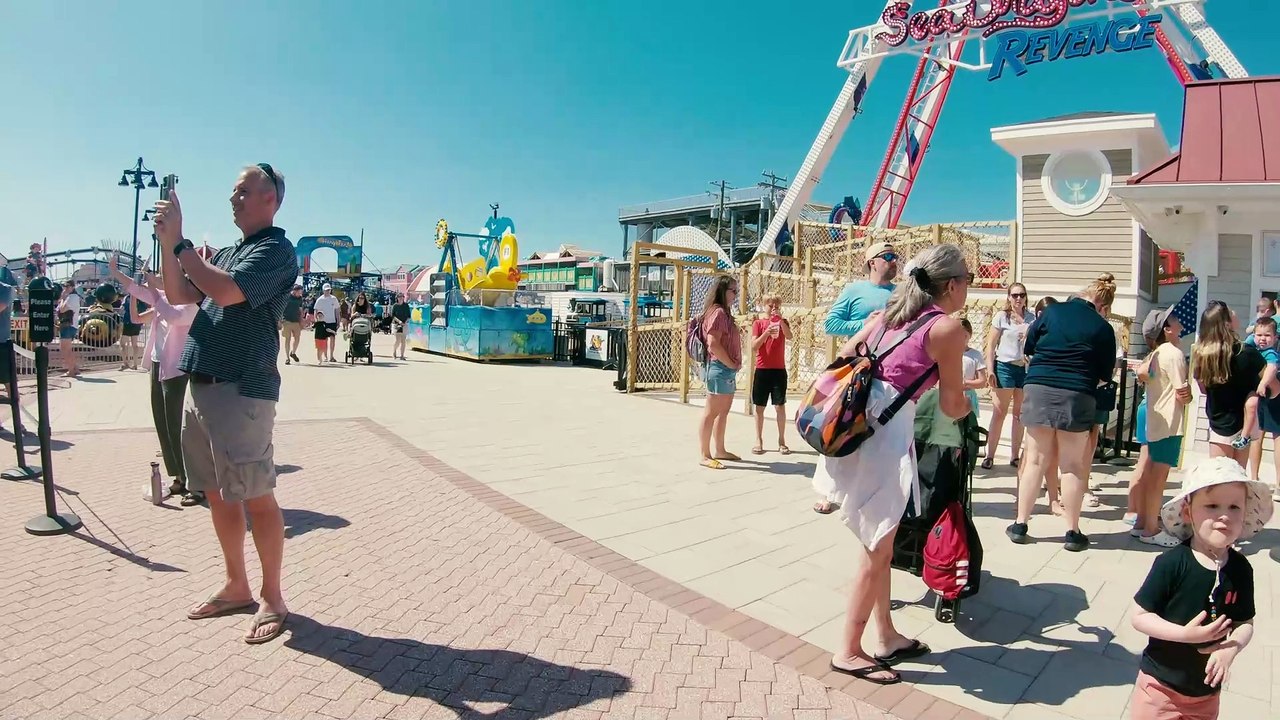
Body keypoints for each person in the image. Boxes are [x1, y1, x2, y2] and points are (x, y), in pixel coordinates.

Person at [152, 163, 298, 644]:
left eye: (243, 191)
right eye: (233, 191)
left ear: (270, 200)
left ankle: (272, 597)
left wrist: (180, 243)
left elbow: (225, 291)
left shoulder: (276, 250)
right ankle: (237, 584)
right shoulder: (235, 250)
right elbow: (181, 294)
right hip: (204, 386)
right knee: (216, 493)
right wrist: (169, 243)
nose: (233, 198)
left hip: (242, 389)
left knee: (256, 495)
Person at [819, 244, 972, 685]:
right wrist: (969, 393)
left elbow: (844, 355)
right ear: (952, 284)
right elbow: (952, 404)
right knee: (878, 549)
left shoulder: (886, 315)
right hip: (885, 440)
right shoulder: (947, 328)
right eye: (968, 280)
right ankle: (849, 650)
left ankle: (885, 635)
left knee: (877, 544)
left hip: (856, 428)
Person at [1129, 457, 1270, 720]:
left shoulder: (1240, 569)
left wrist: (1232, 648)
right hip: (1160, 687)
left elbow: (1245, 621)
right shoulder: (1172, 563)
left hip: (1205, 694)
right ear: (1188, 512)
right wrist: (1185, 635)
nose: (1224, 516)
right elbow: (1139, 617)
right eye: (1212, 506)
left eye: (1234, 507)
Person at [1007, 273, 1118, 552]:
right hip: (1078, 393)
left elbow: (1030, 345)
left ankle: (1020, 524)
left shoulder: (1053, 311)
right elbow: (1106, 373)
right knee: (1073, 466)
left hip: (1040, 386)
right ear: (1102, 306)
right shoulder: (1103, 327)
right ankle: (1072, 530)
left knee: (1034, 460)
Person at [108, 252, 203, 505]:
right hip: (159, 365)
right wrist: (116, 272)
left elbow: (173, 316)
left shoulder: (192, 303)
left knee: (180, 428)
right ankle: (178, 477)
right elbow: (135, 289)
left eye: (166, 275)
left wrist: (155, 289)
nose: (160, 278)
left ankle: (196, 482)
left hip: (178, 370)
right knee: (163, 424)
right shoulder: (164, 297)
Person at [815, 242, 898, 513]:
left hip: (886, 373)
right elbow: (831, 324)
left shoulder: (900, 294)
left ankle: (864, 494)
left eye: (896, 256)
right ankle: (828, 493)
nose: (894, 260)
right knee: (839, 425)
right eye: (888, 256)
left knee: (873, 434)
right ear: (872, 262)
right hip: (856, 369)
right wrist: (863, 323)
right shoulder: (854, 290)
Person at [1128, 307, 1193, 547]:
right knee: (1159, 476)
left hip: (1155, 419)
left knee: (1149, 472)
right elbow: (1182, 393)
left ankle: (1142, 522)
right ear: (1167, 329)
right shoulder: (1174, 354)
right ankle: (1151, 530)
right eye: (1174, 319)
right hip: (1168, 421)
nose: (1179, 321)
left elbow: (1143, 374)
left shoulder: (1155, 354)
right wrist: (1190, 397)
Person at [1191, 301, 1267, 467]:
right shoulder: (1247, 352)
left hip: (1220, 422)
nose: (1235, 313)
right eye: (1230, 312)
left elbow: (1203, 389)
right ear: (1227, 323)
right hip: (1245, 423)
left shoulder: (1203, 355)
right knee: (1238, 479)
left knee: (1220, 478)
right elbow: (1271, 386)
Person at [981, 283, 1034, 469]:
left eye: (1021, 295)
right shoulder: (1002, 317)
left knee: (1019, 413)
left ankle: (1014, 455)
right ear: (1008, 297)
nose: (1018, 299)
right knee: (999, 411)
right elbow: (991, 345)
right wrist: (990, 369)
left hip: (1024, 368)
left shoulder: (1032, 318)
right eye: (1014, 295)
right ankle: (990, 454)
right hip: (1005, 366)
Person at [698, 274, 741, 470]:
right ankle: (705, 454)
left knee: (723, 412)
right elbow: (713, 343)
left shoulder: (722, 312)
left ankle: (720, 449)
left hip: (725, 369)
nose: (735, 295)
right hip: (719, 368)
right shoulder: (719, 314)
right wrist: (731, 363)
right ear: (722, 291)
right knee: (711, 412)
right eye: (733, 291)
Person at [750, 294, 792, 455]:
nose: (773, 308)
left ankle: (782, 440)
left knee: (779, 405)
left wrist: (780, 321)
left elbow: (789, 336)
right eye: (770, 305)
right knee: (759, 407)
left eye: (776, 305)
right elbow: (754, 346)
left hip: (778, 370)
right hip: (762, 369)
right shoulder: (758, 323)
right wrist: (766, 332)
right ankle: (758, 439)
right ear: (764, 306)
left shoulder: (783, 323)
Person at [960, 319, 985, 416]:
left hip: (967, 396)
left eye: (965, 335)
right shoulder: (948, 353)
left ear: (970, 335)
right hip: (949, 396)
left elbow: (982, 381)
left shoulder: (975, 355)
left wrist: (965, 382)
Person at [56, 281, 81, 378]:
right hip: (67, 325)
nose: (65, 288)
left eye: (67, 286)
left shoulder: (73, 297)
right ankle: (75, 368)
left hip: (68, 325)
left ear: (72, 287)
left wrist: (62, 298)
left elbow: (62, 309)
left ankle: (71, 370)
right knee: (68, 349)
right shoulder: (70, 297)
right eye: (64, 286)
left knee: (65, 349)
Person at [312, 284, 340, 363]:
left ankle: (331, 356)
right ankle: (325, 356)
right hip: (323, 322)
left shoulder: (334, 299)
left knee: (332, 339)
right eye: (326, 290)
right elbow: (315, 310)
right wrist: (316, 320)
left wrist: (338, 321)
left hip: (332, 321)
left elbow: (337, 311)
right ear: (323, 290)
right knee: (324, 340)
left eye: (329, 290)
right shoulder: (320, 299)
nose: (328, 291)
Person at [281, 285, 303, 365]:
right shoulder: (287, 297)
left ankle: (293, 352)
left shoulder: (300, 298)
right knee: (288, 339)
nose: (300, 294)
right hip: (286, 320)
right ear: (295, 291)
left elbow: (300, 309)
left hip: (296, 320)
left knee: (297, 338)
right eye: (299, 292)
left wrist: (301, 320)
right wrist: (280, 319)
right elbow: (281, 307)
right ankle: (287, 358)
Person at [390, 294, 411, 360]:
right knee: (397, 340)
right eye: (400, 297)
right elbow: (393, 316)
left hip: (404, 324)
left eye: (402, 297)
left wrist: (405, 322)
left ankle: (402, 355)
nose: (401, 298)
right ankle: (394, 351)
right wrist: (399, 322)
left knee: (403, 340)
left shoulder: (406, 305)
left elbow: (409, 316)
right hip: (396, 324)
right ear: (397, 298)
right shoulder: (395, 306)